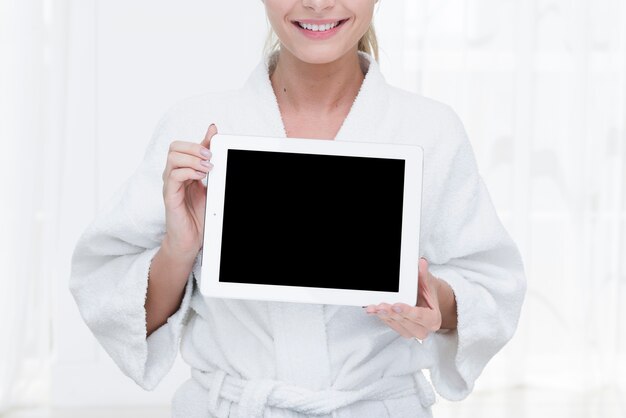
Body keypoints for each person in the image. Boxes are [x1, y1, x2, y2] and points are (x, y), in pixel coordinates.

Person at [69, 1, 527, 417]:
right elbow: (123, 312)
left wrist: (434, 303)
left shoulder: (431, 130)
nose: (318, 3)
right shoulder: (196, 131)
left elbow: (489, 286)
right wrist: (179, 247)